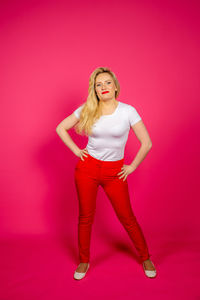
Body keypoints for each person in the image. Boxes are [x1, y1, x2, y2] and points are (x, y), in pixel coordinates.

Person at [56, 67, 157, 280]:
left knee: (127, 217)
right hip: (87, 169)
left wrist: (132, 167)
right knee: (85, 217)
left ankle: (146, 256)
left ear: (115, 86)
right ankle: (84, 261)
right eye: (99, 84)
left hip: (114, 172)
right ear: (95, 89)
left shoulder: (128, 111)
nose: (104, 87)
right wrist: (77, 150)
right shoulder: (88, 108)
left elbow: (146, 143)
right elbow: (61, 128)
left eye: (107, 83)